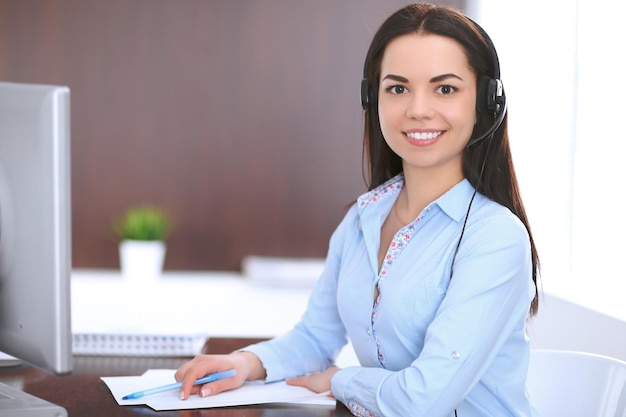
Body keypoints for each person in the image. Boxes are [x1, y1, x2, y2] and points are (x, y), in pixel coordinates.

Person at [175, 3, 540, 416]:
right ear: (373, 98)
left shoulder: (494, 237)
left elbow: (426, 399)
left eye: (445, 88)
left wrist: (337, 381)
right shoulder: (363, 217)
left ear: (485, 103)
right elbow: (316, 336)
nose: (418, 109)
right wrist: (246, 363)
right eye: (398, 88)